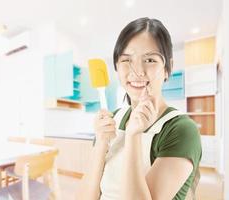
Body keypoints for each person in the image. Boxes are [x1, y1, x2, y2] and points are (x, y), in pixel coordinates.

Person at [77, 17, 202, 200]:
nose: (137, 71)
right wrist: (101, 143)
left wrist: (133, 136)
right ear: (117, 68)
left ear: (168, 68)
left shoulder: (181, 130)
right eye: (126, 60)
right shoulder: (112, 120)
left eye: (150, 60)